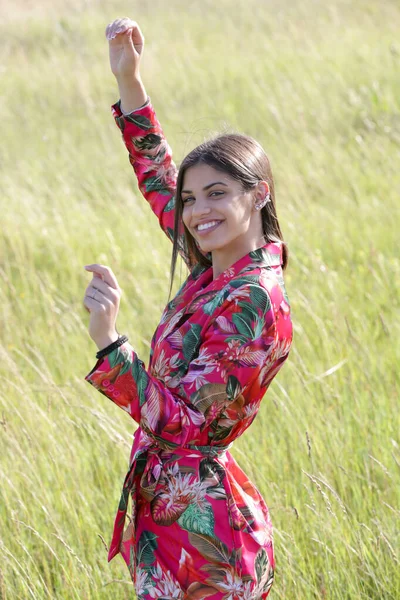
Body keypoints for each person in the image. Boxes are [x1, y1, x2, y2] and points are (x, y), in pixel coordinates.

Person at [83, 17, 293, 599]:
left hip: (207, 540)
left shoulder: (252, 299)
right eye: (193, 198)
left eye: (219, 194)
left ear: (258, 195)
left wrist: (111, 345)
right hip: (175, 517)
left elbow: (189, 425)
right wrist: (130, 79)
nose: (199, 212)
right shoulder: (217, 264)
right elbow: (158, 178)